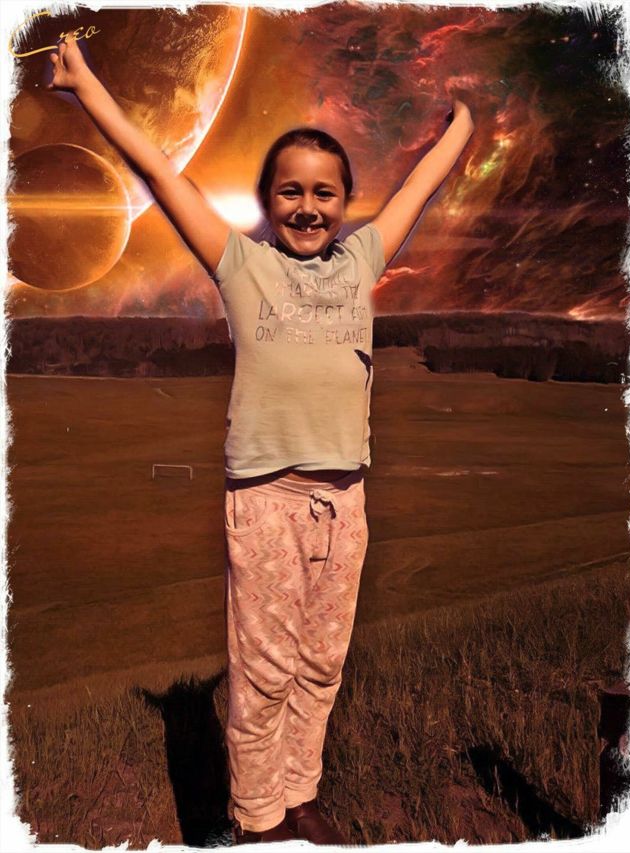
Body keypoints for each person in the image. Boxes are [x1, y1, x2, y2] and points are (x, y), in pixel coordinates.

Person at [48, 32, 474, 846]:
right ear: (268, 202)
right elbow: (162, 173)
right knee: (265, 672)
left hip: (344, 504)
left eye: (325, 192)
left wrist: (461, 125)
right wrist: (87, 86)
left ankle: (300, 793)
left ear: (345, 203)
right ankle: (259, 819)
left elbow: (420, 186)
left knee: (321, 664)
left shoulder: (362, 261)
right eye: (290, 191)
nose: (308, 207)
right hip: (267, 500)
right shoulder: (241, 266)